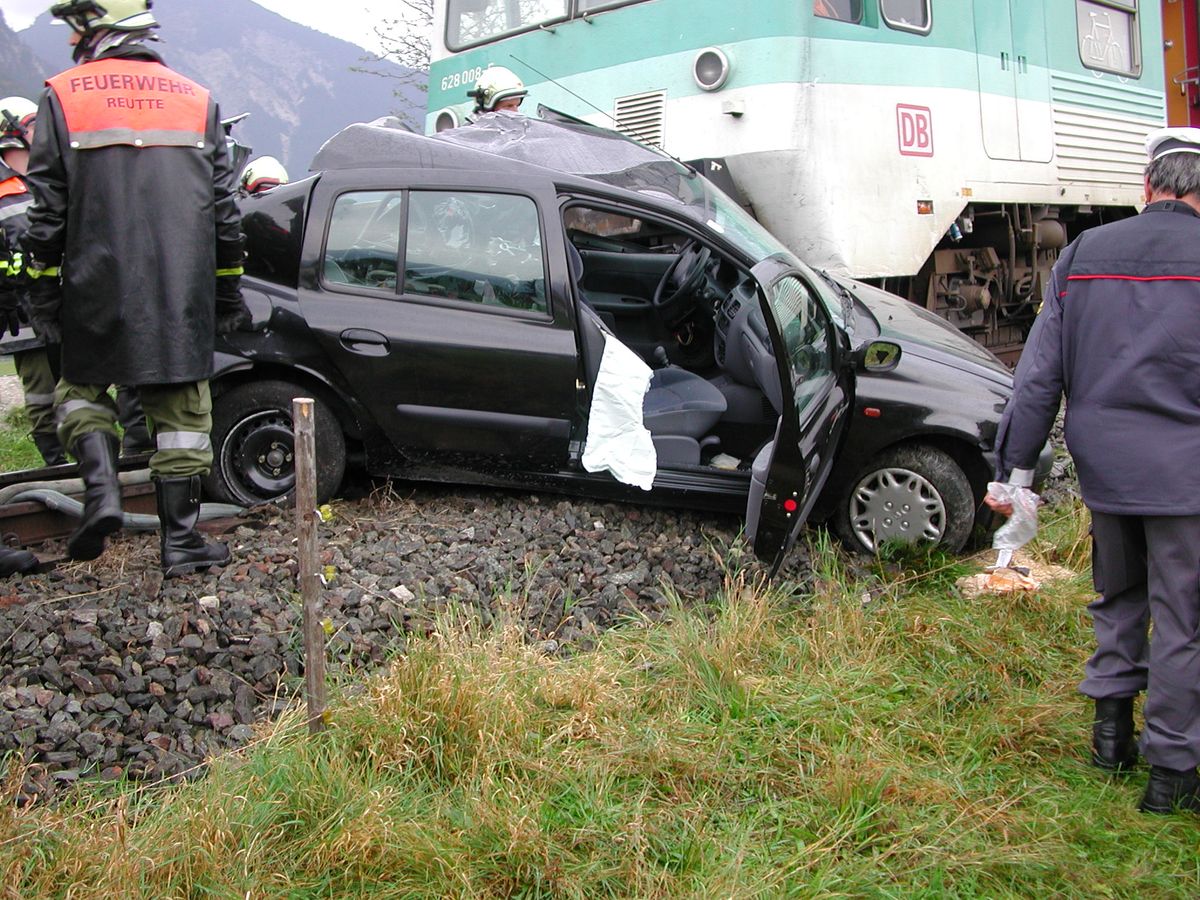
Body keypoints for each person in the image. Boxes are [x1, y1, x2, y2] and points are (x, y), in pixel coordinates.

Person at [987, 125, 1200, 815]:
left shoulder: (1084, 252)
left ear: (1147, 188)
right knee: (1183, 619)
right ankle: (1171, 773)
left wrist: (1015, 472)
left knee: (1119, 597)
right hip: (1186, 477)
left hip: (1107, 469)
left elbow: (1037, 376)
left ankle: (1110, 740)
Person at [21, 0, 249, 576]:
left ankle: (102, 495)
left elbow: (46, 212)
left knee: (81, 390)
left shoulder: (63, 95)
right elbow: (225, 215)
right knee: (181, 418)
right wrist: (227, 294)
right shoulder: (197, 99)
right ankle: (180, 542)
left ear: (94, 27)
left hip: (93, 282)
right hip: (178, 290)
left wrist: (45, 293)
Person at [0, 96, 66, 467]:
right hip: (22, 318)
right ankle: (56, 464)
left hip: (63, 307)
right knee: (42, 396)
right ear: (11, 133)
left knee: (80, 391)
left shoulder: (51, 183)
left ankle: (91, 460)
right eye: (32, 126)